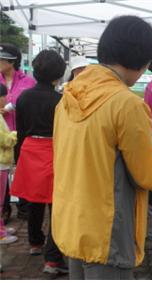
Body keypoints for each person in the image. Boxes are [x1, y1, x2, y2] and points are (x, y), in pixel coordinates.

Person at [51, 16, 152, 280]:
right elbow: (147, 176)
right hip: (107, 235)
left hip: (72, 224)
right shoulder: (127, 104)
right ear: (142, 60)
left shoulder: (67, 98)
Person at [10, 50, 68, 274]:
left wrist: (18, 159)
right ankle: (53, 260)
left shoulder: (23, 97)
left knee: (34, 200)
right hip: (53, 151)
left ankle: (35, 243)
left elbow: (21, 130)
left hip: (29, 149)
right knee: (57, 204)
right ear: (58, 75)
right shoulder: (60, 101)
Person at [0, 43, 35, 222]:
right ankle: (3, 208)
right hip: (1, 134)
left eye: (2, 58)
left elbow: (33, 105)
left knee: (23, 168)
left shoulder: (28, 81)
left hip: (22, 132)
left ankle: (24, 206)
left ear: (12, 61)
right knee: (1, 171)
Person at [0, 83, 17, 245]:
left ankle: (2, 227)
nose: (6, 99)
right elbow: (4, 140)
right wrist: (14, 134)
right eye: (4, 96)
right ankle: (0, 233)